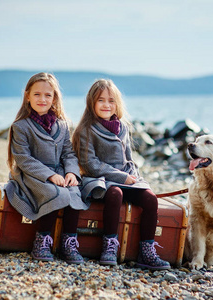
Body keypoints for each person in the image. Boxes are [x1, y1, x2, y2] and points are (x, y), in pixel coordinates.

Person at [72, 79, 170, 270]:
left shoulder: (123, 127)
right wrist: (121, 177)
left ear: (117, 103)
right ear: (91, 103)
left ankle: (146, 251)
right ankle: (109, 246)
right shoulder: (86, 129)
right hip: (99, 179)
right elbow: (90, 164)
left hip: (125, 177)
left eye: (111, 100)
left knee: (150, 198)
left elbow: (129, 159)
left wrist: (135, 177)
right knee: (115, 194)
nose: (106, 105)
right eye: (101, 100)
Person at [5, 72, 89, 264]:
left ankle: (69, 242)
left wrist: (71, 172)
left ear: (55, 98)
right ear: (27, 96)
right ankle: (42, 240)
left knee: (74, 193)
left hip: (60, 172)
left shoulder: (62, 124)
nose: (42, 99)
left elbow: (68, 153)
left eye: (47, 95)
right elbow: (23, 159)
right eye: (37, 94)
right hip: (33, 175)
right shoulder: (21, 126)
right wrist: (50, 175)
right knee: (54, 193)